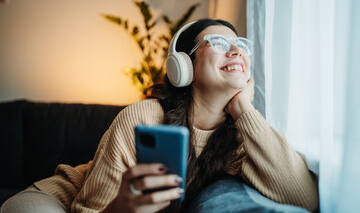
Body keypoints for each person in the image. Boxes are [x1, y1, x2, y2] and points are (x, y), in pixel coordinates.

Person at [1, 19, 319, 213]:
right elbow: (89, 209)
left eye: (241, 46)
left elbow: (303, 199)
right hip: (57, 201)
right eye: (219, 43)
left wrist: (243, 108)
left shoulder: (240, 136)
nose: (236, 51)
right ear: (183, 66)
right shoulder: (146, 116)